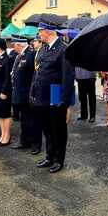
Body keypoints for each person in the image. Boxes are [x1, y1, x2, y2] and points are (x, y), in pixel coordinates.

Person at [30, 21, 75, 174]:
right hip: (42, 96)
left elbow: (67, 77)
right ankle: (49, 156)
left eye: (40, 32)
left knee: (58, 129)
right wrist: (33, 92)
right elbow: (37, 73)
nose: (39, 35)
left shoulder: (63, 49)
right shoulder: (42, 49)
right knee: (47, 129)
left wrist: (65, 101)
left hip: (56, 94)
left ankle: (58, 160)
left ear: (48, 32)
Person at [10, 35, 39, 153]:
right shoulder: (20, 55)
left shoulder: (30, 55)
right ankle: (24, 141)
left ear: (19, 45)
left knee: (32, 120)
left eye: (14, 45)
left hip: (28, 93)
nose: (13, 47)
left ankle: (35, 144)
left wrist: (33, 93)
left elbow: (34, 75)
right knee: (24, 120)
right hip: (20, 93)